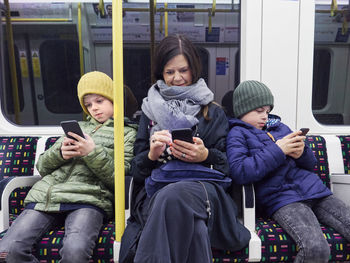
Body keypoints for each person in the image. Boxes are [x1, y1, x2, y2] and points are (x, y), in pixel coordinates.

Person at [119, 34, 250, 263]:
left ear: (194, 70)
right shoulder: (148, 113)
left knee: (172, 196)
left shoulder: (213, 112)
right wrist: (152, 155)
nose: (177, 78)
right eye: (170, 72)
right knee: (195, 229)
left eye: (183, 70)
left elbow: (229, 166)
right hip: (157, 187)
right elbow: (137, 171)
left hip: (204, 189)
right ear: (161, 73)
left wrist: (205, 155)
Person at [0, 71, 137, 263]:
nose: (94, 109)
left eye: (99, 101)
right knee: (7, 251)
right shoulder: (76, 129)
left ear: (114, 99)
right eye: (88, 105)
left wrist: (92, 152)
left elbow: (120, 177)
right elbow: (42, 166)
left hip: (89, 199)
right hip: (47, 197)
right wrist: (59, 154)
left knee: (75, 253)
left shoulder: (128, 134)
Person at [226, 80, 350, 263]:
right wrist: (278, 150)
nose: (264, 117)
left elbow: (311, 165)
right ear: (242, 110)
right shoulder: (237, 134)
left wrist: (302, 153)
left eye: (267, 111)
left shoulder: (280, 127)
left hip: (315, 190)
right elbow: (241, 171)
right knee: (316, 249)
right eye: (258, 111)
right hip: (282, 199)